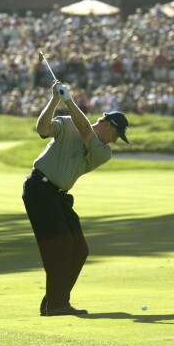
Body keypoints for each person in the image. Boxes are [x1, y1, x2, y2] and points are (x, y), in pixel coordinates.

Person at [22, 80, 129, 316]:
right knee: (62, 245)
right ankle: (58, 304)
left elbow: (85, 130)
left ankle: (53, 301)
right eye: (117, 134)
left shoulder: (102, 152)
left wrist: (68, 99)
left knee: (79, 249)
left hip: (58, 196)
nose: (115, 140)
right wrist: (55, 100)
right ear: (108, 125)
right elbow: (42, 130)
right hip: (39, 189)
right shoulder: (68, 123)